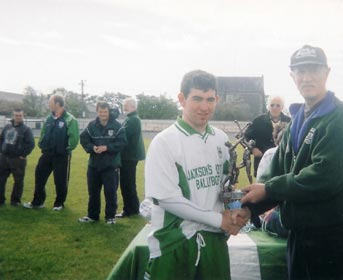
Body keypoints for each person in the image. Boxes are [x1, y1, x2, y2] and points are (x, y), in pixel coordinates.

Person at [239, 45, 343, 280]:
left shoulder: (341, 119)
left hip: (330, 236)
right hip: (298, 232)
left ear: (327, 73)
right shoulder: (295, 123)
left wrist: (269, 188)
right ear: (292, 76)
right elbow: (276, 173)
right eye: (300, 71)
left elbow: (324, 177)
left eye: (313, 70)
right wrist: (248, 210)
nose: (307, 77)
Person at [140, 70, 246, 280]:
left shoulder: (221, 139)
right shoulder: (164, 142)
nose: (204, 107)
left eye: (210, 99)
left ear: (217, 99)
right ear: (182, 99)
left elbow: (225, 188)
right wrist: (219, 220)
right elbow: (168, 200)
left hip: (214, 240)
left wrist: (235, 210)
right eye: (197, 99)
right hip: (174, 243)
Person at [23, 95, 79, 211]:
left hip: (61, 156)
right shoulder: (49, 118)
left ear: (57, 103)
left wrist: (65, 149)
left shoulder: (70, 119)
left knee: (60, 180)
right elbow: (43, 133)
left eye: (50, 102)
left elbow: (74, 138)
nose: (48, 104)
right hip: (47, 154)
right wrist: (42, 145)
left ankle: (59, 204)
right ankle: (37, 202)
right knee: (39, 176)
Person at [78, 101, 127, 225]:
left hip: (111, 166)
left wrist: (107, 147)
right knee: (93, 192)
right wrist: (92, 148)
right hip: (94, 165)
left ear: (109, 112)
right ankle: (92, 216)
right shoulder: (91, 125)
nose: (103, 114)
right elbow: (83, 139)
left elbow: (122, 143)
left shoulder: (117, 126)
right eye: (101, 111)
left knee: (110, 192)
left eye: (105, 112)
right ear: (97, 112)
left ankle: (110, 217)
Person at [245, 96, 291, 177]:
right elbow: (245, 137)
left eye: (278, 105)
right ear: (268, 106)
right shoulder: (258, 121)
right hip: (262, 162)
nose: (274, 108)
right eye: (272, 105)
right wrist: (253, 149)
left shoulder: (289, 121)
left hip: (283, 163)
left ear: (282, 107)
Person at [116, 98, 146, 218]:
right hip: (129, 156)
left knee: (126, 183)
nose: (124, 107)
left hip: (129, 157)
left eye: (127, 105)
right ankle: (133, 208)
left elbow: (122, 135)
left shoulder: (133, 120)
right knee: (129, 183)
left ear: (133, 106)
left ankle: (128, 210)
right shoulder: (131, 119)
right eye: (124, 105)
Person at [0, 109, 35, 206]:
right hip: (4, 158)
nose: (18, 117)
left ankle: (15, 201)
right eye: (16, 115)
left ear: (23, 116)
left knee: (18, 181)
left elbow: (31, 144)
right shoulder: (7, 127)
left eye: (20, 115)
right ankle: (0, 200)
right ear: (13, 116)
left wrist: (23, 155)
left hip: (17, 160)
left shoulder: (26, 129)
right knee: (1, 179)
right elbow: (1, 139)